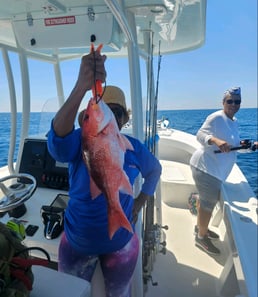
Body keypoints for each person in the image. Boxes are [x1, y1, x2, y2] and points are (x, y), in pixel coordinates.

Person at [47, 48, 162, 297]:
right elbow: (56, 144)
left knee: (119, 294)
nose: (110, 112)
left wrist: (140, 202)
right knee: (69, 293)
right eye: (105, 107)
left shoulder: (133, 147)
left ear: (123, 118)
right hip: (77, 240)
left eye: (117, 111)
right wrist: (81, 87)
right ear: (87, 119)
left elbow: (154, 170)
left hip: (121, 242)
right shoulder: (81, 139)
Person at [190, 87, 251, 255]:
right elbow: (200, 135)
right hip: (206, 168)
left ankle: (200, 227)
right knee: (208, 205)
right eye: (229, 101)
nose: (233, 104)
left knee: (205, 202)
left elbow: (232, 147)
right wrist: (215, 140)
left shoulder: (235, 121)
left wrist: (246, 146)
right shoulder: (216, 117)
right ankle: (201, 238)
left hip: (216, 170)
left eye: (236, 101)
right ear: (223, 102)